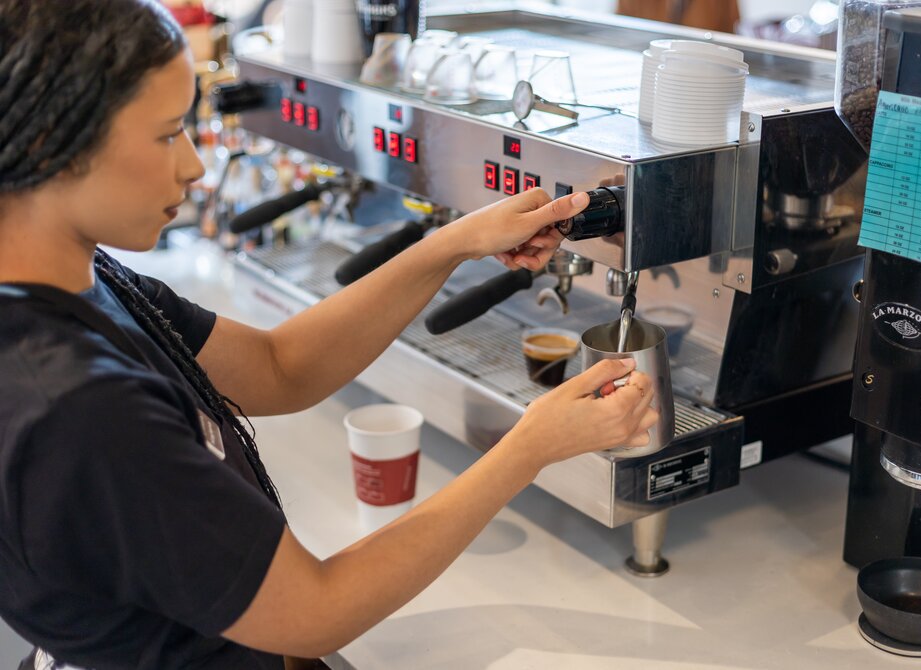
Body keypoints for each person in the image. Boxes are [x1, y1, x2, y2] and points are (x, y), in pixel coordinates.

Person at [0, 2, 659, 668]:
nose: (195, 167)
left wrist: (453, 243)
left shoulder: (81, 279)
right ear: (48, 143)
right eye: (169, 134)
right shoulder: (76, 406)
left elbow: (278, 365)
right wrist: (530, 447)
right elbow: (312, 612)